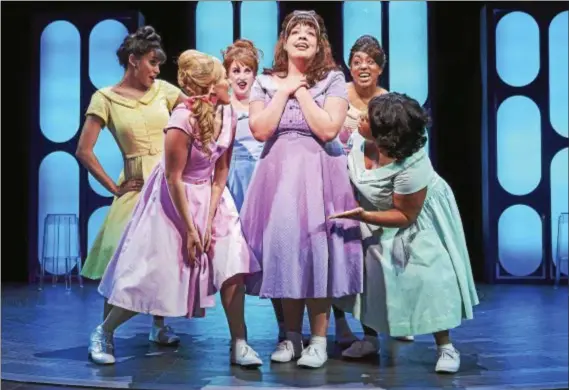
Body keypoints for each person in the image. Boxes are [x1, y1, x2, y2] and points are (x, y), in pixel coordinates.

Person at [88, 50, 263, 368]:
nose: (230, 82)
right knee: (156, 276)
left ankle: (240, 342)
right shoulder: (181, 120)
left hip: (212, 197)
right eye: (223, 78)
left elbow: (220, 171)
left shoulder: (228, 115)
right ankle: (104, 332)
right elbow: (173, 177)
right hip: (174, 199)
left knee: (232, 263)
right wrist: (191, 228)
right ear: (211, 86)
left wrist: (209, 220)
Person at [240, 10, 363, 369]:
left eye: (311, 31)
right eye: (297, 30)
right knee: (285, 251)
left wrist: (302, 90)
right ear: (284, 40)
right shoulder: (266, 82)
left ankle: (320, 340)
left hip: (320, 171)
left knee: (316, 252)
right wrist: (285, 89)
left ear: (320, 42)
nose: (303, 35)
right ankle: (291, 336)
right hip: (278, 175)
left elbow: (327, 129)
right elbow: (261, 129)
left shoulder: (334, 80)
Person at [331, 93, 479, 373]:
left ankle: (445, 346)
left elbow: (406, 214)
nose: (361, 118)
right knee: (368, 275)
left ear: (385, 133)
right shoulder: (358, 140)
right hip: (373, 212)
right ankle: (370, 339)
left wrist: (365, 216)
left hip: (417, 218)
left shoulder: (412, 164)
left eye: (368, 118)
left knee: (428, 275)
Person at [77, 26, 183, 346]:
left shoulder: (165, 90)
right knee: (123, 260)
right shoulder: (105, 98)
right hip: (135, 186)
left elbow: (197, 115)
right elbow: (84, 150)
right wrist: (114, 186)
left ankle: (159, 325)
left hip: (167, 182)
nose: (157, 69)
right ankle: (104, 334)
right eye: (152, 62)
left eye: (159, 64)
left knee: (164, 257)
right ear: (133, 61)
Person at [334, 35, 415, 345]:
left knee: (380, 257)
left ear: (380, 67)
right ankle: (341, 323)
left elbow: (402, 147)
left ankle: (386, 319)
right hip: (339, 181)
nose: (363, 67)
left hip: (376, 186)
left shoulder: (390, 100)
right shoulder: (336, 95)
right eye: (356, 62)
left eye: (370, 61)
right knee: (340, 253)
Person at [222, 40, 288, 342]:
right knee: (234, 259)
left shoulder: (264, 101)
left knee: (272, 256)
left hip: (264, 181)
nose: (242, 76)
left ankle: (287, 328)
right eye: (236, 70)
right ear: (227, 73)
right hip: (232, 182)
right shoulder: (222, 106)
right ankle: (239, 336)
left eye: (247, 70)